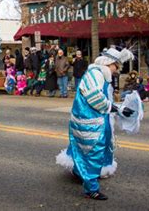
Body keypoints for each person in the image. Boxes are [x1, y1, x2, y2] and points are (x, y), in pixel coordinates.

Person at [56, 47, 137, 200]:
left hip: (97, 118)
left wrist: (119, 109)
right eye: (116, 66)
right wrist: (117, 108)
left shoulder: (102, 75)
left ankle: (81, 172)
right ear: (108, 63)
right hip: (89, 120)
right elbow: (95, 97)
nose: (117, 70)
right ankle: (91, 189)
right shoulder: (96, 74)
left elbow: (106, 99)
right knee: (93, 151)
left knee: (99, 146)